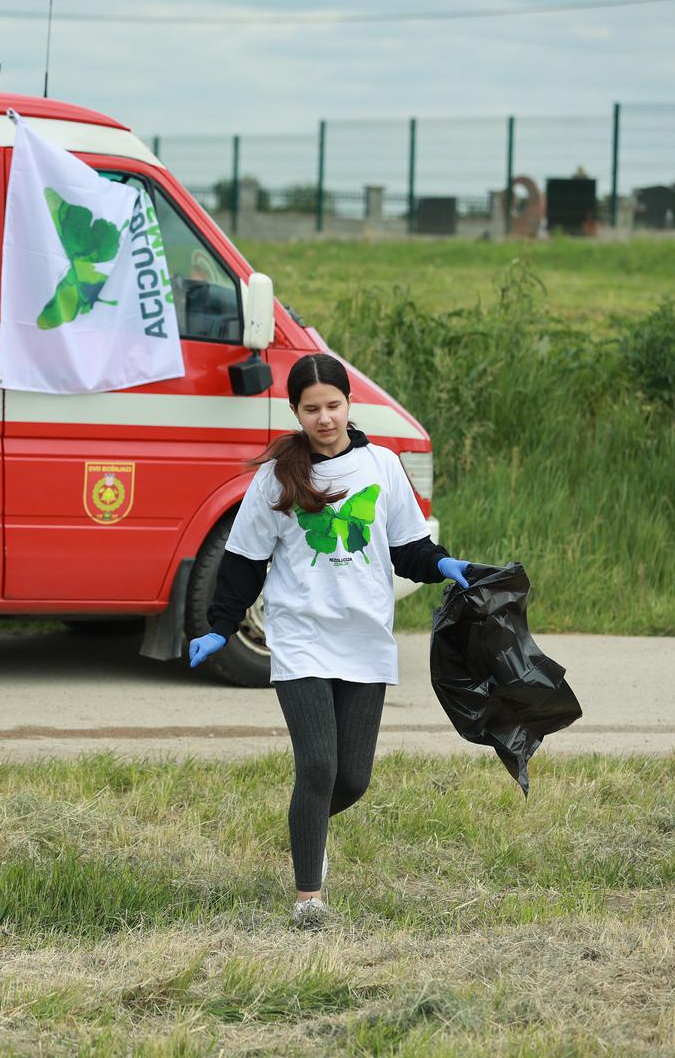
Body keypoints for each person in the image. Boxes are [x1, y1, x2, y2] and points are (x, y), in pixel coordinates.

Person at [189, 351, 485, 929]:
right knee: (319, 766)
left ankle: (309, 832)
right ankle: (309, 901)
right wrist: (220, 626)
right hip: (300, 636)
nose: (323, 418)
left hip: (365, 636)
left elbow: (407, 549)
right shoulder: (278, 476)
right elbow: (244, 561)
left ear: (350, 404)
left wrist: (443, 563)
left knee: (353, 778)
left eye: (333, 405)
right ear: (295, 412)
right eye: (310, 409)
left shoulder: (382, 466)